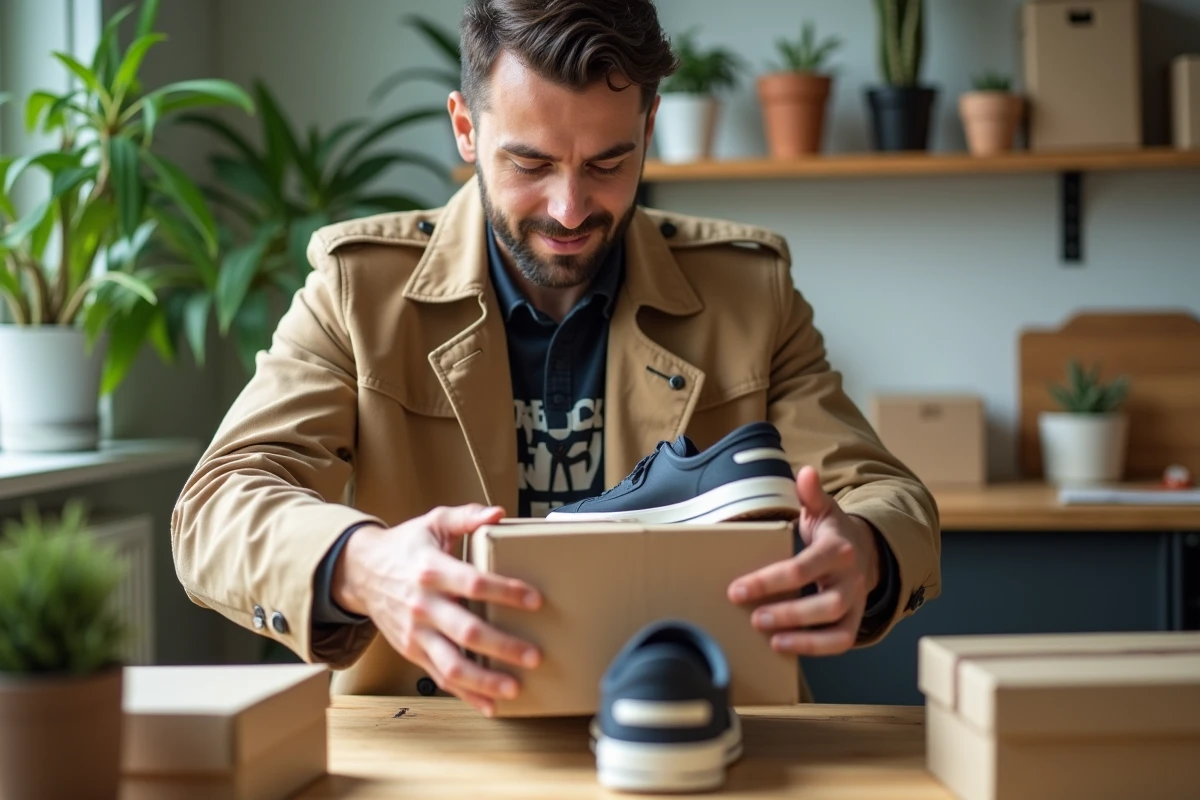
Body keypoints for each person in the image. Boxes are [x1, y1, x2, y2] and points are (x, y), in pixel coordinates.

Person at [171, 0, 941, 717]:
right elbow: (213, 509)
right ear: (465, 130)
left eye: (607, 163)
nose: (570, 210)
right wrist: (363, 565)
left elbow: (886, 496)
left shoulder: (750, 290)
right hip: (433, 737)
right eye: (531, 164)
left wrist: (864, 553)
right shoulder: (358, 287)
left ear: (649, 128)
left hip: (695, 729)